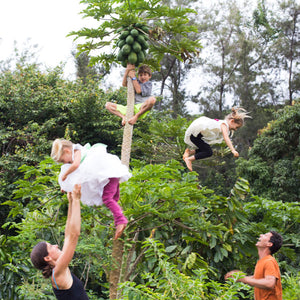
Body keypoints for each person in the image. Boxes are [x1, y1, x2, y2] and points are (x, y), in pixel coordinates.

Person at [51, 139, 131, 239]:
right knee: (113, 200)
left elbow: (75, 166)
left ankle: (121, 220)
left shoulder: (77, 151)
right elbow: (77, 177)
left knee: (107, 198)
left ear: (67, 151)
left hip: (109, 175)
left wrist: (65, 175)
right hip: (110, 175)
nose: (65, 163)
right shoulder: (81, 156)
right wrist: (66, 186)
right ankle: (120, 215)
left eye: (63, 160)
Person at [30, 184, 89, 300]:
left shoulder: (59, 269)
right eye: (51, 247)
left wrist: (71, 201)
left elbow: (68, 235)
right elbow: (74, 236)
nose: (56, 245)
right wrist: (77, 200)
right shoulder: (58, 272)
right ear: (47, 258)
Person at [183, 107, 251, 171]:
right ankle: (189, 159)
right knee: (208, 152)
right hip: (196, 136)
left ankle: (189, 152)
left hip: (196, 136)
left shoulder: (222, 123)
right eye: (237, 127)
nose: (235, 129)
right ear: (232, 121)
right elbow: (226, 137)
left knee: (206, 149)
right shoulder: (224, 125)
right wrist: (233, 150)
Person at [225, 231, 283, 300]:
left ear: (269, 244)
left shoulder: (269, 261)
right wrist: (238, 277)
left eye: (265, 235)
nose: (261, 234)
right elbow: (257, 278)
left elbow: (270, 283)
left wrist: (244, 279)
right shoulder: (262, 261)